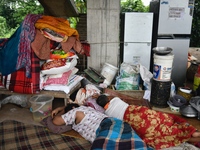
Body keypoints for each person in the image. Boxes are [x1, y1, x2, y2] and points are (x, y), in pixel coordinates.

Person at [96, 94, 200, 149]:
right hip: (142, 112)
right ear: (108, 99)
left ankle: (192, 136)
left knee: (167, 132)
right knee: (164, 120)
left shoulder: (108, 114)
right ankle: (193, 132)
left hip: (137, 122)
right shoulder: (116, 100)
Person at [51, 103, 152, 150]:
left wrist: (61, 109)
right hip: (118, 123)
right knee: (132, 143)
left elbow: (56, 121)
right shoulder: (87, 108)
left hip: (106, 127)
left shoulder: (76, 111)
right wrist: (63, 107)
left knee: (103, 146)